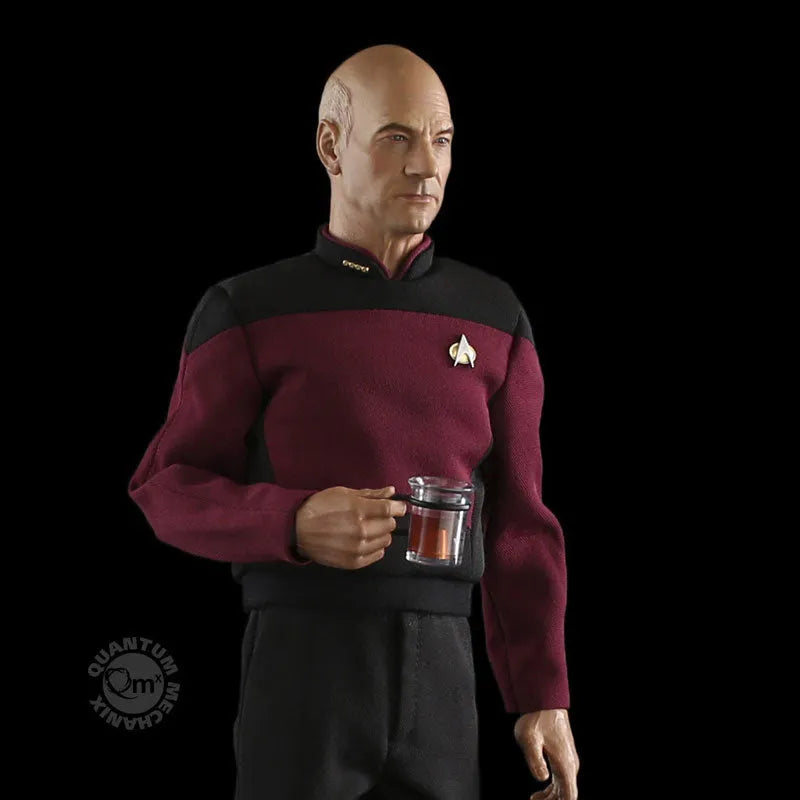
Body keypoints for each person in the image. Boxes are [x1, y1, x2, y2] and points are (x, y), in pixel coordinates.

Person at [127, 43, 579, 800]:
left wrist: (544, 693)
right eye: (396, 136)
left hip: (445, 671)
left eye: (442, 140)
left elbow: (521, 522)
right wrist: (293, 522)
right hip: (303, 662)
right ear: (331, 145)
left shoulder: (495, 315)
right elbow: (165, 488)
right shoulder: (248, 310)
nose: (426, 166)